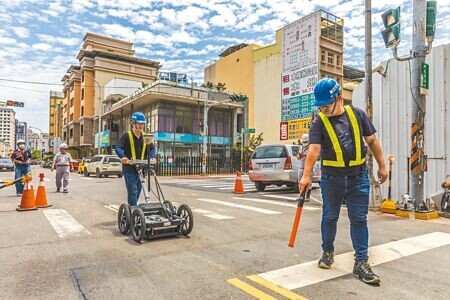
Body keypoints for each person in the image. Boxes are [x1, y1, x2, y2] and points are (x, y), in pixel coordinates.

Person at [299, 78, 388, 284]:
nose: (323, 109)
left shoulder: (357, 114)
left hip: (358, 177)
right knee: (330, 217)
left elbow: (372, 140)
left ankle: (361, 263)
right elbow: (314, 149)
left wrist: (382, 165)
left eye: (326, 105)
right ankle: (327, 251)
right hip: (332, 179)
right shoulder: (319, 121)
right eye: (320, 106)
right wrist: (306, 175)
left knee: (359, 219)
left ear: (339, 97)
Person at [115, 112, 156, 206]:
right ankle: (133, 211)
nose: (141, 126)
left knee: (138, 191)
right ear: (133, 123)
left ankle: (132, 209)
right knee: (133, 191)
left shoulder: (146, 137)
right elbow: (118, 148)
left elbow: (152, 149)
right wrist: (123, 157)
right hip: (129, 169)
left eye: (142, 124)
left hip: (142, 168)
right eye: (139, 123)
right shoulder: (126, 136)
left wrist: (153, 157)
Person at [297, 133, 312, 201]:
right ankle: (301, 196)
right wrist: (299, 155)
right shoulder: (301, 147)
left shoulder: (311, 147)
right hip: (301, 166)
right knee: (300, 182)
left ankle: (307, 196)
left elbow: (310, 156)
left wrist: (303, 155)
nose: (305, 143)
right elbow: (298, 157)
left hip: (308, 168)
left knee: (308, 183)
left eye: (306, 142)